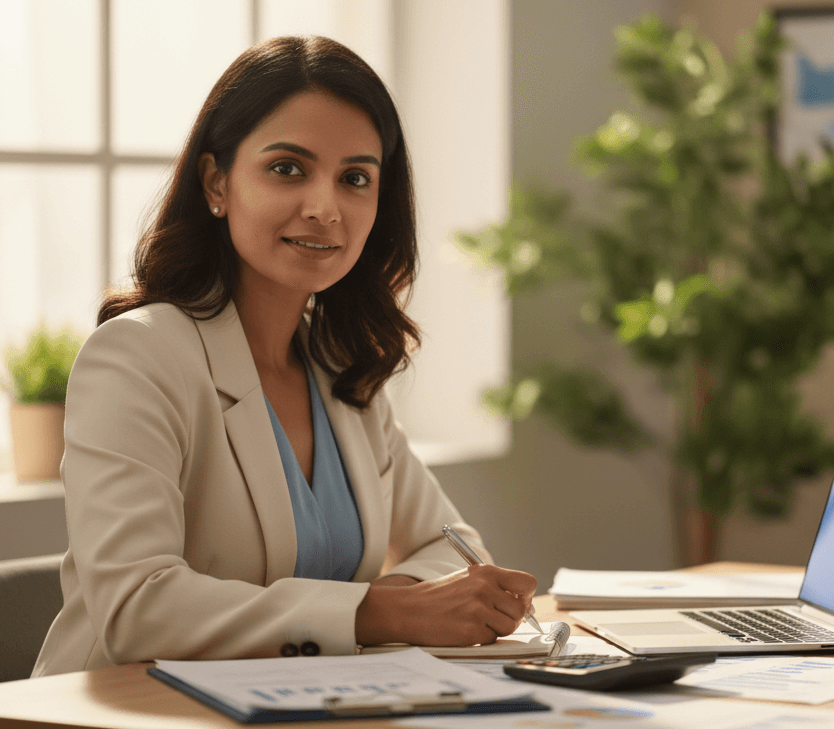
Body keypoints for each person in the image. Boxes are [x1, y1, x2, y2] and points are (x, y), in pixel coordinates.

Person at [30, 35, 537, 678]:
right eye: (288, 168)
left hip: (303, 720)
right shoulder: (136, 357)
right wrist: (381, 614)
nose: (325, 208)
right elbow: (138, 607)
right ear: (217, 182)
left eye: (355, 178)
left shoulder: (340, 369)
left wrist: (392, 605)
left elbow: (456, 552)